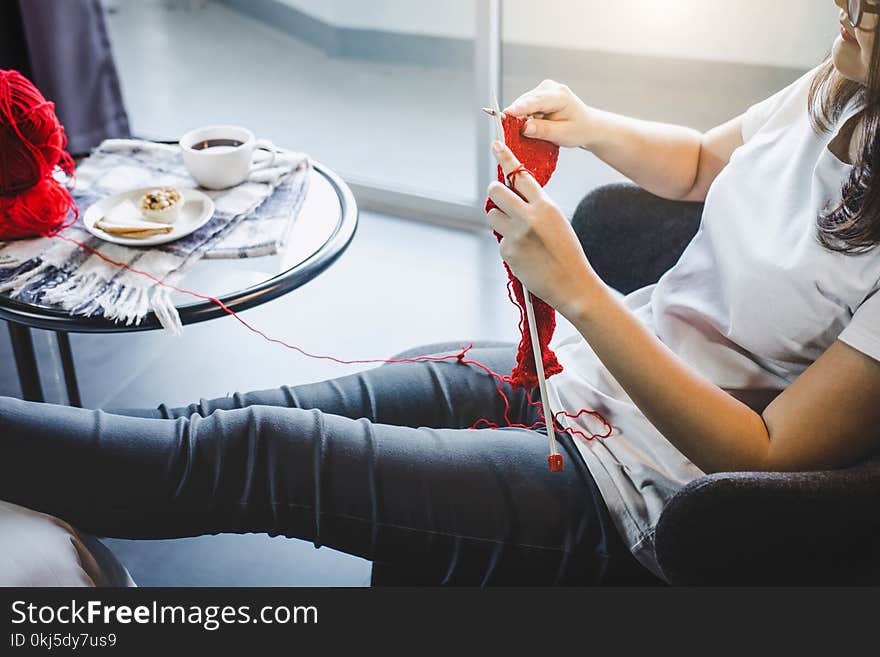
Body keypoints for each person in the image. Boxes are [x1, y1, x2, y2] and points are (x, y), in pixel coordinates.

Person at [2, 0, 879, 586]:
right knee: (247, 417)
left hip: (635, 491)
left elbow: (762, 456)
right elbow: (698, 162)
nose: (841, 7)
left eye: (868, 8)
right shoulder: (841, 85)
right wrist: (594, 122)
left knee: (258, 450)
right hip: (571, 379)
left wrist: (578, 292)